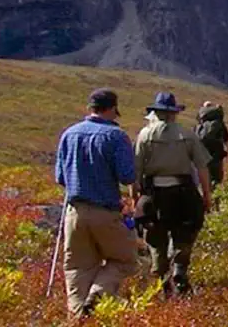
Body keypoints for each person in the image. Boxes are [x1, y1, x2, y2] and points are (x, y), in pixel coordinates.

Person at [54, 88, 139, 318]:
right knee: (126, 260)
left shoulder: (68, 134)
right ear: (111, 109)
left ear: (90, 108)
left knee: (77, 268)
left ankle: (78, 317)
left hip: (74, 213)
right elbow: (127, 176)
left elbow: (60, 177)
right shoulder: (115, 136)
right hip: (105, 211)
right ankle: (99, 293)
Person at [133, 92, 212, 297]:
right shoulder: (188, 135)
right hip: (184, 193)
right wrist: (206, 195)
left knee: (155, 238)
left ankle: (160, 277)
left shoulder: (144, 136)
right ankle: (179, 270)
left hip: (154, 195)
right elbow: (202, 167)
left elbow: (136, 171)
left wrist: (135, 199)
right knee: (185, 234)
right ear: (174, 113)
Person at [195, 101, 228, 188]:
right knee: (216, 179)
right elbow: (226, 138)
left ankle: (204, 195)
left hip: (202, 155)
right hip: (216, 156)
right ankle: (215, 197)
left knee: (203, 179)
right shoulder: (218, 122)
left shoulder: (201, 123)